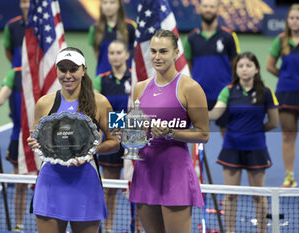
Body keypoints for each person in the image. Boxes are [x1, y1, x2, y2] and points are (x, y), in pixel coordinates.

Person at [27, 47, 119, 233]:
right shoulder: (43, 103)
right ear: (57, 71)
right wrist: (36, 143)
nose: (68, 75)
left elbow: (116, 142)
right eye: (63, 69)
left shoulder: (102, 102)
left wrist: (92, 150)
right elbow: (36, 138)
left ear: (83, 70)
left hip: (86, 184)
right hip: (50, 183)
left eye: (73, 69)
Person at [128, 29, 209, 233]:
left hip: (175, 173)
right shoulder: (139, 88)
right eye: (153, 51)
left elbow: (203, 134)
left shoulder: (191, 88)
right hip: (145, 171)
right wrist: (127, 134)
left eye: (163, 51)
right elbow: (134, 130)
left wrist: (171, 133)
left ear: (176, 53)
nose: (157, 57)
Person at [210, 52, 279, 233]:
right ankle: (230, 231)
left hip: (256, 150)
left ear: (256, 69)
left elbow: (274, 122)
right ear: (236, 70)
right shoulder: (228, 90)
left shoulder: (266, 92)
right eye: (241, 66)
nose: (245, 69)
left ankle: (262, 231)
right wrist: (198, 112)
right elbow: (216, 113)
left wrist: (253, 131)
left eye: (249, 65)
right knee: (231, 195)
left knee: (259, 195)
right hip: (231, 148)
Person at [266, 3, 299, 188]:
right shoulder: (280, 40)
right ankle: (289, 177)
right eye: (291, 18)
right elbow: (269, 65)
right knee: (287, 135)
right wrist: (286, 77)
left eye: (298, 18)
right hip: (285, 94)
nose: (294, 21)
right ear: (287, 20)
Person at [183, 0, 240, 136]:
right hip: (198, 96)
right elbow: (187, 67)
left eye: (212, 7)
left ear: (217, 10)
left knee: (227, 133)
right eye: (205, 6)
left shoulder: (229, 36)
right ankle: (198, 159)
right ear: (200, 9)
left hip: (224, 95)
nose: (208, 9)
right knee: (197, 134)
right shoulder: (191, 38)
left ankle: (228, 158)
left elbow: (236, 65)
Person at [93, 39, 131, 233]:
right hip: (111, 138)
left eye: (119, 52)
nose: (115, 56)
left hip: (134, 137)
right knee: (110, 188)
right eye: (112, 53)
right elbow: (96, 111)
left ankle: (138, 227)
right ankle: (108, 229)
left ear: (127, 55)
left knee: (136, 187)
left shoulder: (135, 78)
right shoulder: (101, 80)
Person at [2, 0, 30, 230]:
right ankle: (18, 225)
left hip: (38, 138)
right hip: (18, 135)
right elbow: (0, 98)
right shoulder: (11, 27)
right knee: (20, 182)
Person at [88, 0, 136, 75]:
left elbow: (135, 52)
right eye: (105, 2)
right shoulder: (94, 29)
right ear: (101, 5)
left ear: (119, 5)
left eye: (112, 2)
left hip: (127, 77)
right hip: (103, 76)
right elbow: (97, 54)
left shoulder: (131, 26)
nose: (108, 6)